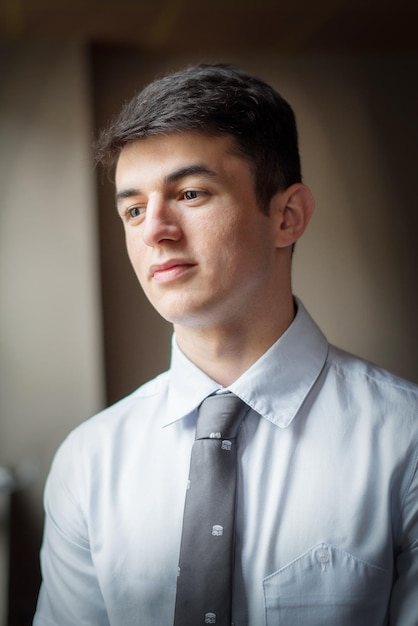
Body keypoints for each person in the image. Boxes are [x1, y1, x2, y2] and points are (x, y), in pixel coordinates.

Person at [34, 64, 418, 625]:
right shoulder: (88, 462)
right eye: (134, 209)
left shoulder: (406, 443)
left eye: (189, 193)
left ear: (287, 217)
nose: (153, 231)